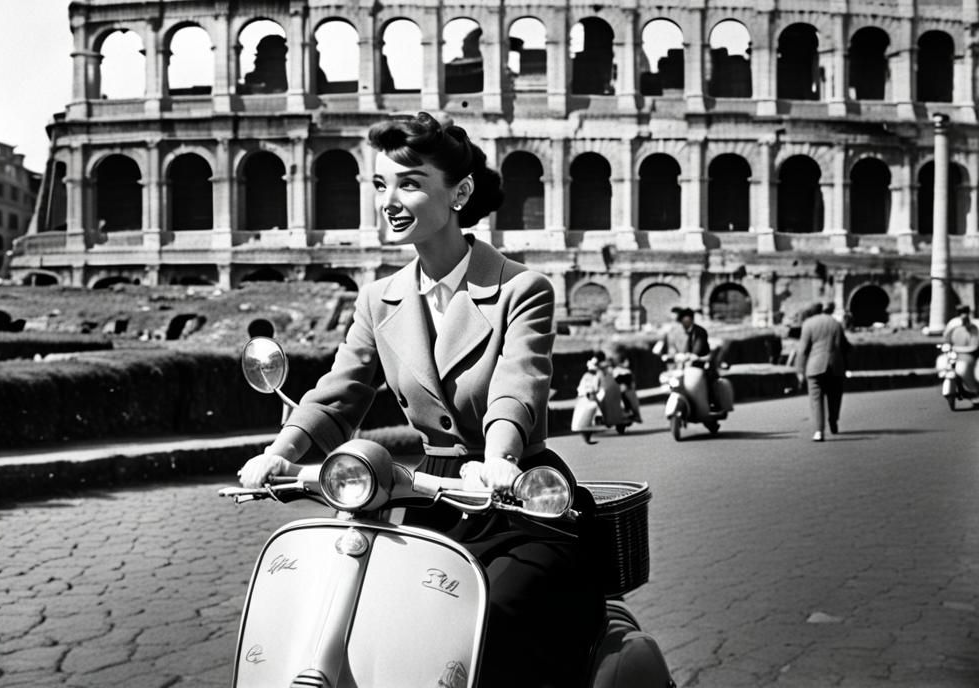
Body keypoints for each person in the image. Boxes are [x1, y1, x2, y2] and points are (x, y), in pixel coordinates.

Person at [238, 111, 599, 687]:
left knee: (487, 623)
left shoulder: (519, 289)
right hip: (429, 497)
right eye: (381, 184)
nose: (389, 200)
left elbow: (518, 385)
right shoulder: (379, 299)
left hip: (517, 496)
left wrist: (500, 460)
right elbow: (338, 393)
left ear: (459, 192)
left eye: (408, 182)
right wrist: (282, 453)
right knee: (375, 620)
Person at [796, 301, 851, 441]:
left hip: (815, 366)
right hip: (835, 365)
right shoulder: (835, 323)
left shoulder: (808, 324)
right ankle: (833, 420)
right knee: (835, 396)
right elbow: (844, 346)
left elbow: (802, 350)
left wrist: (800, 370)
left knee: (816, 399)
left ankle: (818, 431)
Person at [654, 307, 718, 407]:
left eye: (687, 320)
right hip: (681, 365)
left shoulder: (700, 331)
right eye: (682, 320)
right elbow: (673, 347)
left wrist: (693, 355)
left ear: (691, 319)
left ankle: (712, 401)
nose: (684, 323)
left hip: (699, 362)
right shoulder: (675, 332)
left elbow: (699, 346)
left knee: (708, 378)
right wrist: (671, 356)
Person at [942, 305, 979, 395]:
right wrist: (947, 345)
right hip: (958, 352)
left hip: (972, 351)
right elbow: (947, 337)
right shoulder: (954, 323)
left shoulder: (975, 324)